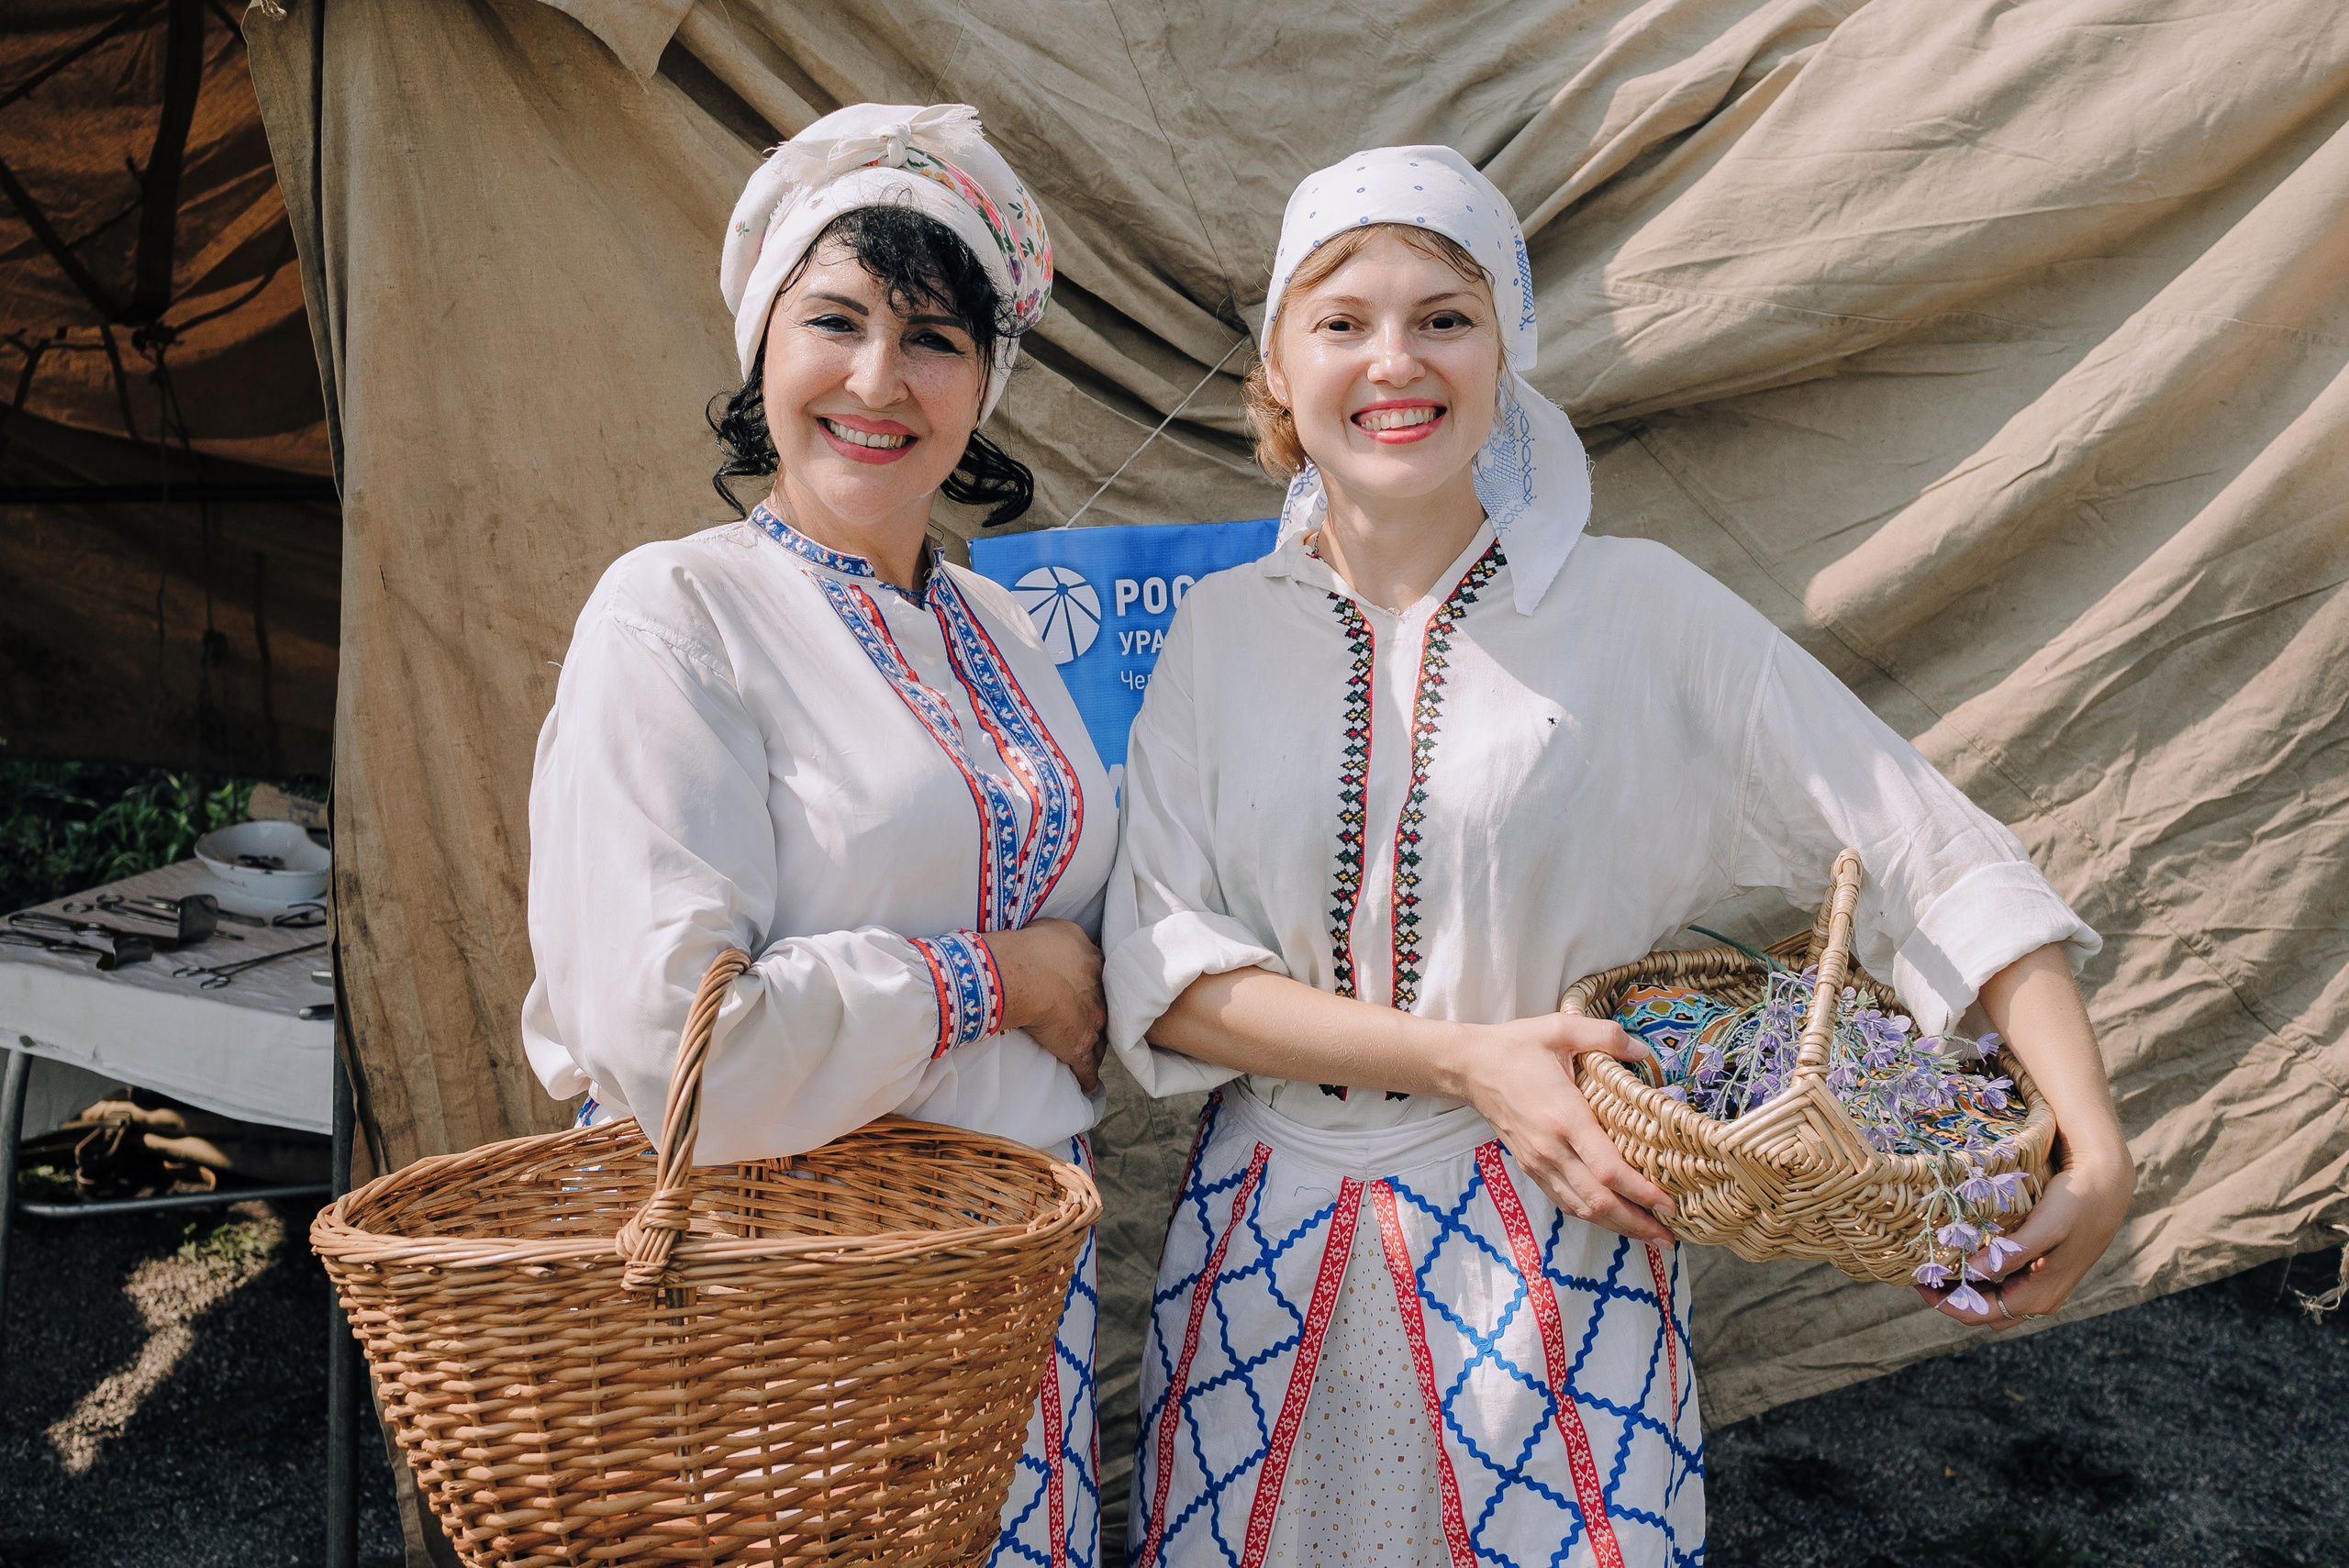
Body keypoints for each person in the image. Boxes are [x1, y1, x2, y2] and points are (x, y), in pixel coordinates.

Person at [1105, 147, 2132, 1567]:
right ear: (1279, 368)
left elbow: (1927, 846)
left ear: (1507, 354)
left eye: (1445, 316)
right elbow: (1159, 969)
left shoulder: (1641, 610)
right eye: (1341, 320)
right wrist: (1465, 1060)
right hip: (1259, 1260)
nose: (1393, 359)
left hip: (1556, 1246)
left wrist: (2097, 1137)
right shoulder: (1219, 636)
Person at [522, 104, 1112, 1568]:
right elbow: (680, 1051)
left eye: (932, 338)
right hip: (776, 1322)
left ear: (986, 380)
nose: (876, 378)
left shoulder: (1001, 629)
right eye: (833, 319)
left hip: (1011, 1314)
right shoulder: (676, 613)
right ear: (760, 349)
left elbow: (1111, 924)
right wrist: (1005, 981)